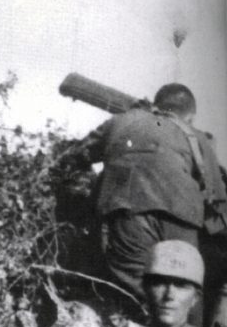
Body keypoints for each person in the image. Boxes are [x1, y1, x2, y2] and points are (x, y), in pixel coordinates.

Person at [71, 83, 227, 303]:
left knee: (133, 291)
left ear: (156, 105)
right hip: (183, 220)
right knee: (179, 291)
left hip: (128, 210)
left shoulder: (122, 120)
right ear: (190, 117)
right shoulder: (198, 137)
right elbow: (217, 201)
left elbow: (76, 156)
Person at [142, 240, 226, 327]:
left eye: (181, 285)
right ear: (145, 288)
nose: (169, 295)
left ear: (195, 298)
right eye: (159, 283)